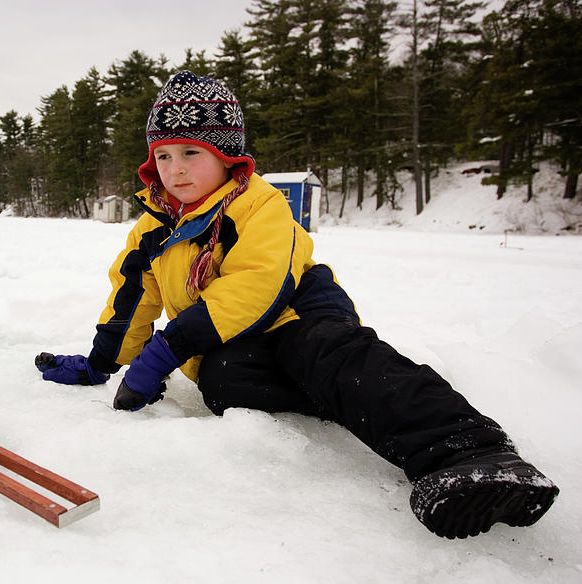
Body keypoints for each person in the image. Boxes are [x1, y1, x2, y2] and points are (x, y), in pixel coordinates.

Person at [35, 70, 559, 539]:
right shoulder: (153, 228)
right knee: (223, 383)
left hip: (296, 310)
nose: (176, 169)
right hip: (226, 338)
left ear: (227, 155)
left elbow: (256, 285)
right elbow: (131, 298)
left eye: (192, 152)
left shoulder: (259, 203)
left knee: (321, 351)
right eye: (164, 156)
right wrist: (103, 362)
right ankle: (346, 398)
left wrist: (166, 349)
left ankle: (468, 452)